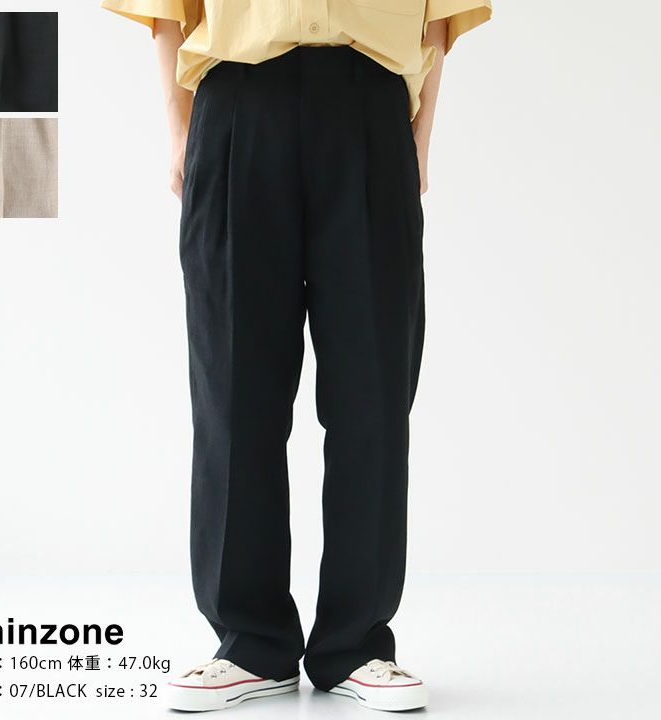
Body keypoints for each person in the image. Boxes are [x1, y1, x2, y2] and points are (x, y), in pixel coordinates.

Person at [102, 0, 492, 712]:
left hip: (371, 102)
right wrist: (181, 129)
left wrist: (420, 136)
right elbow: (166, 8)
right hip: (237, 101)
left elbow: (440, 11)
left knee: (373, 395)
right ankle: (249, 643)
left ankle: (358, 644)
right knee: (234, 391)